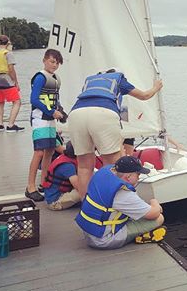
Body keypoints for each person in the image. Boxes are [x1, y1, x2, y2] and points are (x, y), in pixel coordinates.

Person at [68, 69, 163, 197]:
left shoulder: (90, 81)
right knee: (113, 165)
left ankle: (86, 205)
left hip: (76, 114)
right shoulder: (119, 80)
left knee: (84, 167)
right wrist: (156, 87)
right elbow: (144, 96)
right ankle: (111, 204)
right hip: (103, 113)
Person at [75, 156, 166, 249]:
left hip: (90, 232)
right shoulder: (123, 193)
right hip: (104, 239)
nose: (139, 177)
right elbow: (154, 214)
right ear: (128, 176)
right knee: (159, 218)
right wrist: (154, 202)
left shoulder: (103, 174)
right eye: (138, 174)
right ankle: (140, 236)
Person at [25, 49, 66, 202]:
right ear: (44, 60)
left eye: (57, 63)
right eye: (52, 61)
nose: (54, 65)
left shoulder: (56, 79)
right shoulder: (40, 77)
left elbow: (56, 99)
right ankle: (30, 187)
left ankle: (44, 182)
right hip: (40, 118)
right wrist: (50, 111)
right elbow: (34, 99)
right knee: (39, 153)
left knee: (49, 150)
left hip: (51, 119)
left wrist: (60, 111)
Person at [42, 142, 103, 211]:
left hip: (60, 193)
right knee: (85, 190)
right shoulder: (67, 166)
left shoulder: (66, 158)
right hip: (55, 201)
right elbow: (78, 186)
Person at [0, 34, 24, 132]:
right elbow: (11, 69)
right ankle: (10, 125)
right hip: (6, 80)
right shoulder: (7, 53)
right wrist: (16, 82)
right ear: (7, 43)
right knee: (17, 102)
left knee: (0, 102)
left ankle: (0, 124)